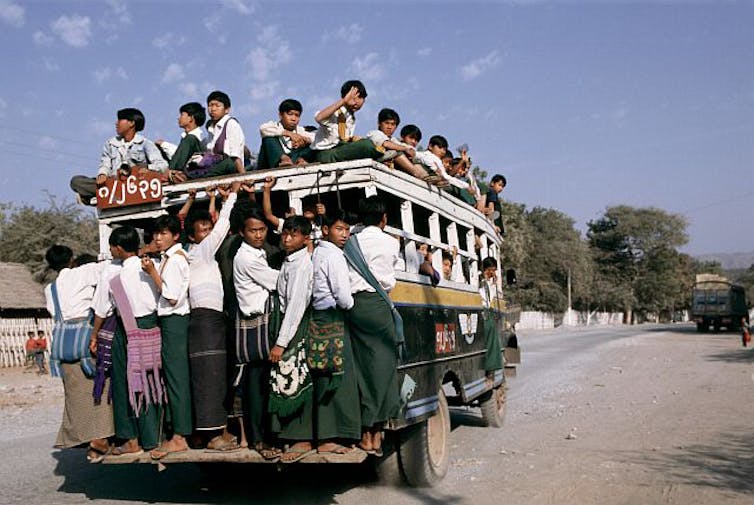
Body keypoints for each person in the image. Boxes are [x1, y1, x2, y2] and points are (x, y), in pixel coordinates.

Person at [43, 244, 114, 462]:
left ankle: (86, 439)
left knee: (75, 394)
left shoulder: (50, 289)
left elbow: (54, 313)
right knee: (100, 389)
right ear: (72, 259)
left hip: (64, 343)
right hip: (86, 338)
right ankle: (101, 439)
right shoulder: (81, 273)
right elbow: (108, 268)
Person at [96, 226, 162, 457]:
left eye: (112, 247)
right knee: (153, 381)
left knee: (128, 385)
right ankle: (154, 438)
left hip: (128, 329)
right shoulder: (152, 267)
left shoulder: (116, 277)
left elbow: (102, 309)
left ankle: (131, 440)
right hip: (155, 327)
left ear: (118, 248)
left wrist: (94, 335)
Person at [343, 196, 402, 455]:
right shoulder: (391, 242)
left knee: (359, 370)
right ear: (384, 219)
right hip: (379, 307)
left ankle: (363, 433)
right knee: (383, 371)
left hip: (353, 308)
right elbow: (393, 273)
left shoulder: (350, 242)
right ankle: (375, 435)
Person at [184, 182, 240, 450]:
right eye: (202, 231)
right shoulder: (202, 252)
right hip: (206, 320)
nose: (208, 234)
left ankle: (210, 431)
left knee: (214, 376)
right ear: (193, 237)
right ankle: (213, 436)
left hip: (209, 319)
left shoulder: (196, 254)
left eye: (208, 229)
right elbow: (222, 227)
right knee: (210, 377)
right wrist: (232, 196)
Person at [309, 210, 362, 454]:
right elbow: (342, 294)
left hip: (317, 317)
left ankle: (328, 435)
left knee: (324, 373)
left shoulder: (317, 252)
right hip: (333, 316)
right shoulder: (334, 256)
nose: (344, 234)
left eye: (347, 230)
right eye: (339, 229)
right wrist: (350, 306)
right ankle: (331, 437)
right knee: (338, 376)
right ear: (326, 229)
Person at [141, 215, 192, 459]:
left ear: (175, 236)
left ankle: (180, 436)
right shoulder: (170, 258)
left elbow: (171, 296)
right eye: (155, 234)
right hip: (172, 322)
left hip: (175, 321)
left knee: (176, 379)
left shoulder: (175, 261)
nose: (157, 238)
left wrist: (152, 273)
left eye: (163, 234)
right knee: (174, 377)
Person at [232, 205, 280, 458]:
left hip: (260, 322)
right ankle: (259, 440)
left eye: (262, 230)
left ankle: (261, 437)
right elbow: (277, 281)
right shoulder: (247, 258)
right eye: (253, 231)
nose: (259, 235)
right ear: (243, 232)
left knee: (261, 385)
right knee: (258, 387)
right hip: (256, 326)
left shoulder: (258, 253)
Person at [268, 216, 315, 463]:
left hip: (295, 326)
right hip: (285, 322)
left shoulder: (302, 265)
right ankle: (289, 435)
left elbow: (296, 305)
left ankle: (302, 437)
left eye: (293, 235)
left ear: (305, 238)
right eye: (285, 234)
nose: (287, 238)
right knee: (284, 378)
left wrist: (281, 342)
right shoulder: (289, 261)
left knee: (296, 377)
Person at [70, 108, 168, 204]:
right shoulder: (110, 144)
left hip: (136, 185)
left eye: (120, 120)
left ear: (131, 123)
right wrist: (103, 174)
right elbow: (105, 164)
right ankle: (101, 193)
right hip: (113, 184)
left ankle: (92, 195)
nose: (116, 123)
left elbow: (163, 165)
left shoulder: (145, 144)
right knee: (76, 181)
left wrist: (147, 168)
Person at [310, 80, 383, 164]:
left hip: (339, 150)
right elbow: (319, 117)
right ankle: (378, 154)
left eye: (359, 98)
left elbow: (345, 139)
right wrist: (343, 101)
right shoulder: (336, 112)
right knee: (366, 145)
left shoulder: (351, 117)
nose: (355, 102)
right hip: (325, 153)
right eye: (352, 98)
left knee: (367, 142)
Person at [367, 108, 428, 179]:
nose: (389, 127)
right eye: (387, 123)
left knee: (413, 159)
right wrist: (405, 149)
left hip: (389, 160)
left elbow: (406, 147)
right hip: (377, 159)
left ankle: (427, 177)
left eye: (393, 124)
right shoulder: (375, 133)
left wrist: (410, 152)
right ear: (379, 123)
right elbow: (386, 144)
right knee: (397, 152)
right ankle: (418, 174)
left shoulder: (394, 140)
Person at [198, 90, 247, 177]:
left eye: (217, 105)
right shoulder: (212, 129)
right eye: (210, 105)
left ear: (227, 109)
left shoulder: (231, 123)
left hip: (231, 166)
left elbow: (235, 155)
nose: (213, 109)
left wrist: (243, 176)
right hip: (216, 167)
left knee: (205, 175)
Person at [156, 102, 207, 184]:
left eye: (182, 115)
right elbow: (179, 153)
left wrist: (165, 144)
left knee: (189, 139)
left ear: (191, 118)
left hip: (196, 170)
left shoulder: (194, 138)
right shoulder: (185, 138)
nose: (179, 118)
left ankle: (168, 174)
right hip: (185, 169)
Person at [257, 99, 315, 169]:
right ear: (281, 115)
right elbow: (263, 129)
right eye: (290, 114)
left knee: (313, 144)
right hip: (273, 163)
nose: (293, 118)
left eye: (297, 115)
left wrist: (305, 140)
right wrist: (288, 133)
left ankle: (301, 160)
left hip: (293, 161)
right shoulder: (274, 126)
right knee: (268, 138)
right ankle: (284, 159)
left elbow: (316, 138)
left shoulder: (300, 130)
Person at [479, 257, 504, 375]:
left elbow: (491, 298)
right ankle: (489, 366)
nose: (492, 273)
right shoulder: (479, 280)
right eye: (491, 270)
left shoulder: (489, 283)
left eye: (494, 270)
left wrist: (493, 284)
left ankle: (493, 367)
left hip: (488, 310)